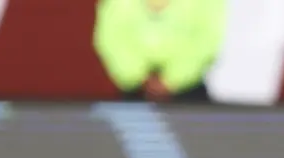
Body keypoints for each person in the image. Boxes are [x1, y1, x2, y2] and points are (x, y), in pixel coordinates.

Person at [93, 0, 227, 102]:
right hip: (134, 92)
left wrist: (173, 79)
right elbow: (110, 37)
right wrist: (139, 76)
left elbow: (207, 39)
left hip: (190, 92)